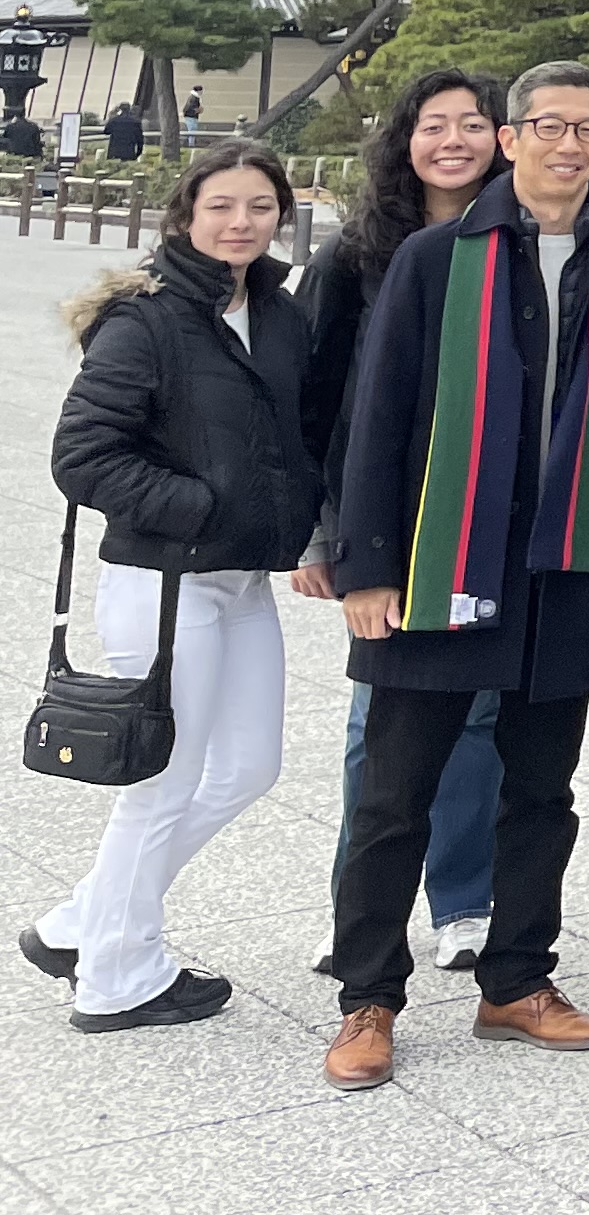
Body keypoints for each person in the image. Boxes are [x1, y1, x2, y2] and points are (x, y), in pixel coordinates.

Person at [320, 60, 589, 1089]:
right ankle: (368, 999)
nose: (570, 146)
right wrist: (367, 566)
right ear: (512, 138)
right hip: (441, 558)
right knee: (396, 795)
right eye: (550, 126)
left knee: (540, 789)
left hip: (567, 567)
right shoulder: (440, 257)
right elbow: (379, 416)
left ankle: (516, 979)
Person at [33, 142, 325, 1029]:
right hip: (163, 583)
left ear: (282, 215)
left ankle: (82, 920)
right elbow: (82, 457)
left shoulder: (276, 315)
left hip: (241, 583)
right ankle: (118, 976)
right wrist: (200, 507)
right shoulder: (146, 319)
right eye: (221, 207)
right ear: (185, 218)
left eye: (260, 207)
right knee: (162, 783)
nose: (241, 223)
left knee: (246, 768)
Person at [293, 68, 509, 982]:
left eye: (473, 123)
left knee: (479, 716)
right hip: (384, 517)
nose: (452, 140)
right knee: (374, 724)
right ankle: (362, 908)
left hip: (489, 518)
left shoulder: (526, 242)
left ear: (505, 136)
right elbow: (317, 401)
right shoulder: (357, 253)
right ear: (405, 139)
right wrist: (322, 533)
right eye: (434, 125)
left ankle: (465, 900)